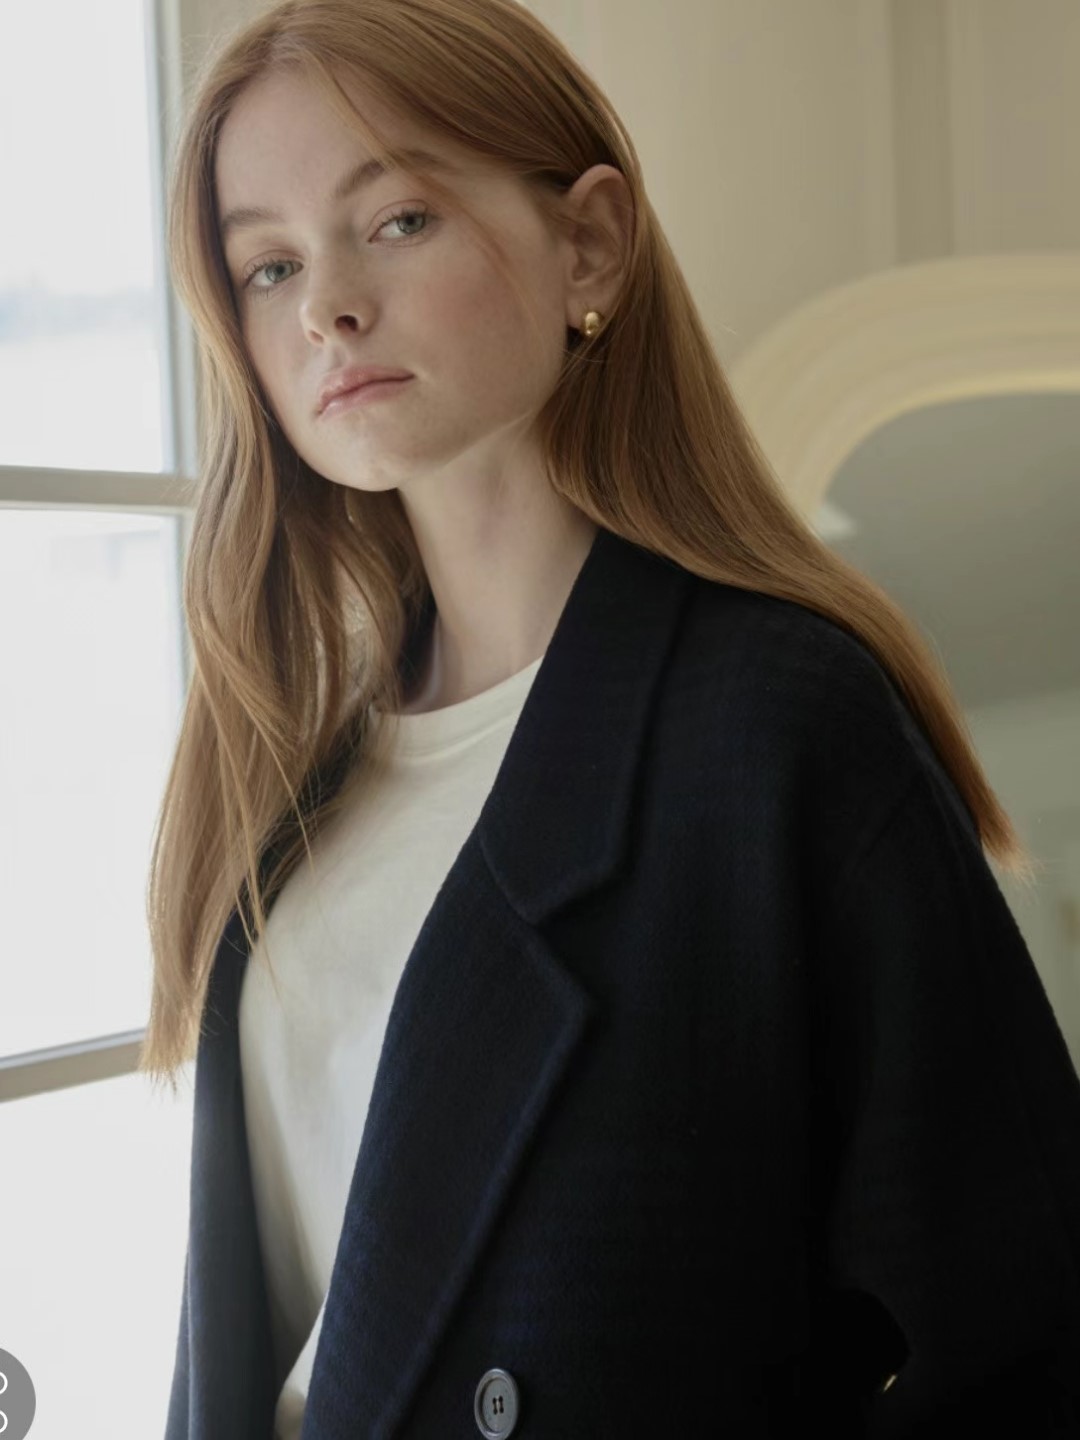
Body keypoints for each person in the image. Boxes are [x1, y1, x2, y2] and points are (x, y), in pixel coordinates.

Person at [143, 0, 1080, 1435]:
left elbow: (1018, 1338)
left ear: (588, 243)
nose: (326, 305)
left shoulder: (777, 724)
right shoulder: (293, 757)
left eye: (396, 221)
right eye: (269, 264)